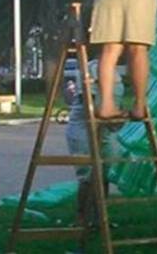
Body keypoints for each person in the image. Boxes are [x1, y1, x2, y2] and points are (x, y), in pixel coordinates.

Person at [63, 59, 124, 228]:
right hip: (83, 128)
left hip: (106, 128)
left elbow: (116, 100)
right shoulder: (92, 67)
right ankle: (82, 218)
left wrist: (119, 115)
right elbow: (92, 105)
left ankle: (101, 218)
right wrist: (119, 116)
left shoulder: (114, 70)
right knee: (88, 176)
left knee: (103, 173)